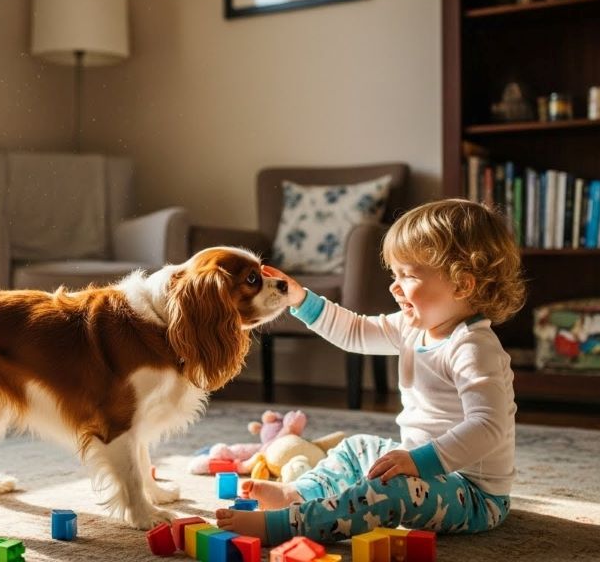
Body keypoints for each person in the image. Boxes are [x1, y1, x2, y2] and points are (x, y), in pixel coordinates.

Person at [215, 198, 526, 545]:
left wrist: (418, 462)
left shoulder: (473, 346)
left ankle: (290, 525)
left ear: (462, 285)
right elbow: (355, 332)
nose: (394, 286)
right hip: (419, 468)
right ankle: (298, 493)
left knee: (390, 490)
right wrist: (301, 300)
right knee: (356, 447)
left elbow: (487, 427)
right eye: (395, 274)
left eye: (408, 276)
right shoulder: (411, 326)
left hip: (474, 495)